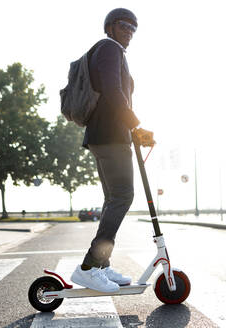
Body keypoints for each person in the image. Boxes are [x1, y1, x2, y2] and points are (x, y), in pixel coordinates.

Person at [70, 8, 144, 293]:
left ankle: (101, 264)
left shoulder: (111, 51)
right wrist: (134, 126)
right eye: (124, 26)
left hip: (105, 135)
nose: (129, 32)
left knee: (113, 198)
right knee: (123, 195)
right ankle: (90, 266)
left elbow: (117, 94)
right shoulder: (109, 49)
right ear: (110, 27)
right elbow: (113, 92)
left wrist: (133, 129)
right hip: (111, 135)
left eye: (133, 29)